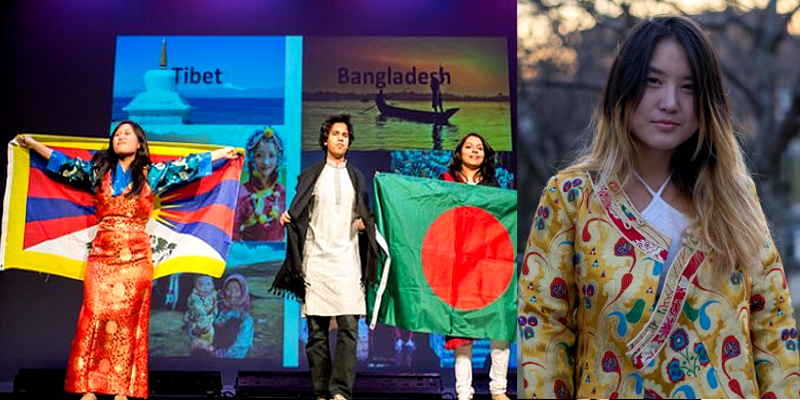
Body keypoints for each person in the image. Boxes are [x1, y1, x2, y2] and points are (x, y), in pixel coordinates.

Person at [519, 15, 800, 399]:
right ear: (623, 87)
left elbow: (774, 325)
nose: (670, 103)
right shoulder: (571, 197)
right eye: (653, 81)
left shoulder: (734, 197)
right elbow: (543, 330)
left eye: (688, 87)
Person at [16, 120, 238, 400]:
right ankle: (88, 386)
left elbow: (186, 167)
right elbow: (65, 165)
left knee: (126, 322)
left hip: (135, 257)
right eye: (117, 134)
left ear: (139, 143)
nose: (120, 138)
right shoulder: (99, 173)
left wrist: (221, 154)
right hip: (102, 255)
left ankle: (121, 388)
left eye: (126, 134)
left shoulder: (151, 175)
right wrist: (34, 145)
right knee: (94, 315)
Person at [272, 114, 378, 400]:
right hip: (316, 258)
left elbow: (365, 213)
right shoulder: (311, 175)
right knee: (317, 332)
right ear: (325, 139)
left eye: (345, 134)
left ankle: (340, 391)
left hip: (347, 259)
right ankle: (321, 391)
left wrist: (363, 224)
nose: (341, 138)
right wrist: (289, 217)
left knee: (348, 328)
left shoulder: (357, 176)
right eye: (336, 133)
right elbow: (299, 210)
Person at [441, 133, 509, 400]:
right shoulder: (446, 182)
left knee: (499, 324)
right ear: (459, 153)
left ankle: (498, 389)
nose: (474, 151)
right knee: (462, 332)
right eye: (469, 147)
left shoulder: (494, 186)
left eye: (479, 147)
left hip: (491, 264)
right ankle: (463, 392)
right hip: (459, 266)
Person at [233, 127, 286, 242]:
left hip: (279, 257)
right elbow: (233, 235)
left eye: (271, 156)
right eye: (259, 156)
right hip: (248, 257)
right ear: (251, 158)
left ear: (278, 159)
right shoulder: (241, 194)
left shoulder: (284, 193)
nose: (266, 162)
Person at [212, 274, 254, 358]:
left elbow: (240, 348)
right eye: (228, 289)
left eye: (237, 290)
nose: (232, 295)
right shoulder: (214, 309)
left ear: (243, 292)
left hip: (229, 365)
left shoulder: (245, 319)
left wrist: (220, 355)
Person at [185, 275, 217, 353]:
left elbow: (215, 307)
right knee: (199, 330)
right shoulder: (194, 297)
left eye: (208, 284)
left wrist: (214, 312)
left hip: (209, 320)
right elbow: (195, 309)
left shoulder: (213, 296)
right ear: (195, 287)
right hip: (197, 319)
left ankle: (207, 345)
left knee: (210, 332)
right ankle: (198, 346)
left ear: (213, 285)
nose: (205, 288)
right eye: (201, 285)